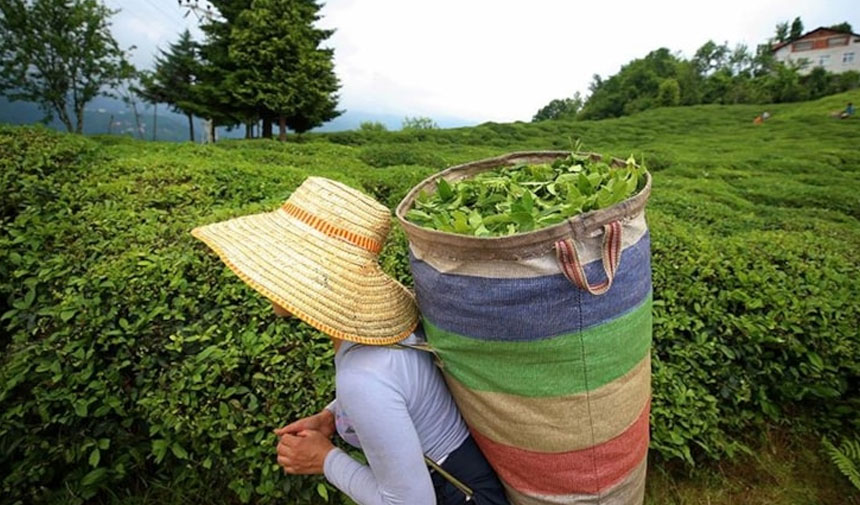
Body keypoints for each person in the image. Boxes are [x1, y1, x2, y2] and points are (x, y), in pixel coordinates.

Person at [191, 176, 509, 505]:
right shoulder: (378, 343)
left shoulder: (362, 377)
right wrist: (332, 416)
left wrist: (325, 460)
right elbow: (401, 391)